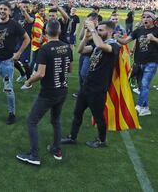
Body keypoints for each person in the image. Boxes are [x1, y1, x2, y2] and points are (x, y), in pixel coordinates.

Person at [17, 19, 73, 165]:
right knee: (56, 120)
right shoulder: (67, 47)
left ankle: (34, 156)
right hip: (63, 89)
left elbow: (40, 74)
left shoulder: (45, 49)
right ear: (59, 31)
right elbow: (70, 69)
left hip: (49, 92)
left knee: (31, 121)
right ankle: (57, 149)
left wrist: (28, 81)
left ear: (46, 32)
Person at [62, 20, 120, 148]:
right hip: (87, 85)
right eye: (98, 30)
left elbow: (101, 46)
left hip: (98, 88)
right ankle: (72, 137)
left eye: (101, 30)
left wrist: (93, 29)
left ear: (110, 31)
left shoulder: (114, 46)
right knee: (77, 113)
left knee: (98, 116)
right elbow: (81, 50)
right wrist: (87, 35)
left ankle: (101, 140)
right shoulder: (98, 43)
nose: (98, 32)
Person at [0, 0, 30, 124]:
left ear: (9, 12)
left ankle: (12, 113)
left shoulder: (14, 25)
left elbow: (27, 39)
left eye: (5, 9)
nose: (2, 11)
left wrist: (19, 53)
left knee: (8, 89)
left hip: (7, 62)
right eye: (0, 9)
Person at [115, 10, 158, 116]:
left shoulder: (157, 30)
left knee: (144, 84)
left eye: (148, 17)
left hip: (152, 62)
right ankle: (145, 108)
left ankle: (138, 106)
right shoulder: (138, 30)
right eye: (143, 17)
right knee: (141, 86)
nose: (145, 19)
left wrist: (154, 39)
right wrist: (116, 37)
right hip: (139, 62)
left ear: (153, 20)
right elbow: (125, 41)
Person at [14, 0, 34, 82]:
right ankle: (22, 74)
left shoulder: (32, 15)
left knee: (25, 63)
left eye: (26, 7)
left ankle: (29, 80)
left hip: (26, 42)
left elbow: (30, 20)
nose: (24, 8)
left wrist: (24, 11)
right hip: (16, 42)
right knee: (13, 60)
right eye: (23, 6)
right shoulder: (17, 15)